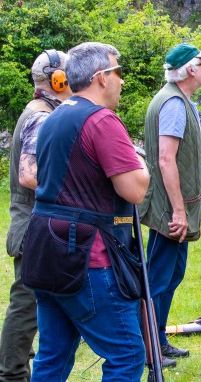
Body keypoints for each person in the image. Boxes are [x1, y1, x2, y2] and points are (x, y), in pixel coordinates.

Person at [22, 42, 150, 382]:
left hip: (47, 252)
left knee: (53, 356)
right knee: (126, 355)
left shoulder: (54, 117)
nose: (122, 81)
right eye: (117, 72)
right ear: (100, 78)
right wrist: (139, 159)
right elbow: (135, 189)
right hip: (87, 258)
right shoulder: (103, 121)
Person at [0, 50, 72, 382]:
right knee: (26, 306)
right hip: (32, 225)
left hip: (32, 224)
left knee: (30, 303)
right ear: (58, 80)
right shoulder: (41, 117)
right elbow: (30, 175)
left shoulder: (39, 112)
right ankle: (12, 374)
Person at [139, 42, 201, 360]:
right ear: (190, 70)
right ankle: (149, 347)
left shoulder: (180, 100)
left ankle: (159, 338)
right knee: (157, 278)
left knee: (171, 275)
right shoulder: (174, 104)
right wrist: (179, 211)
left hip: (173, 207)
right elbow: (166, 160)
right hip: (169, 209)